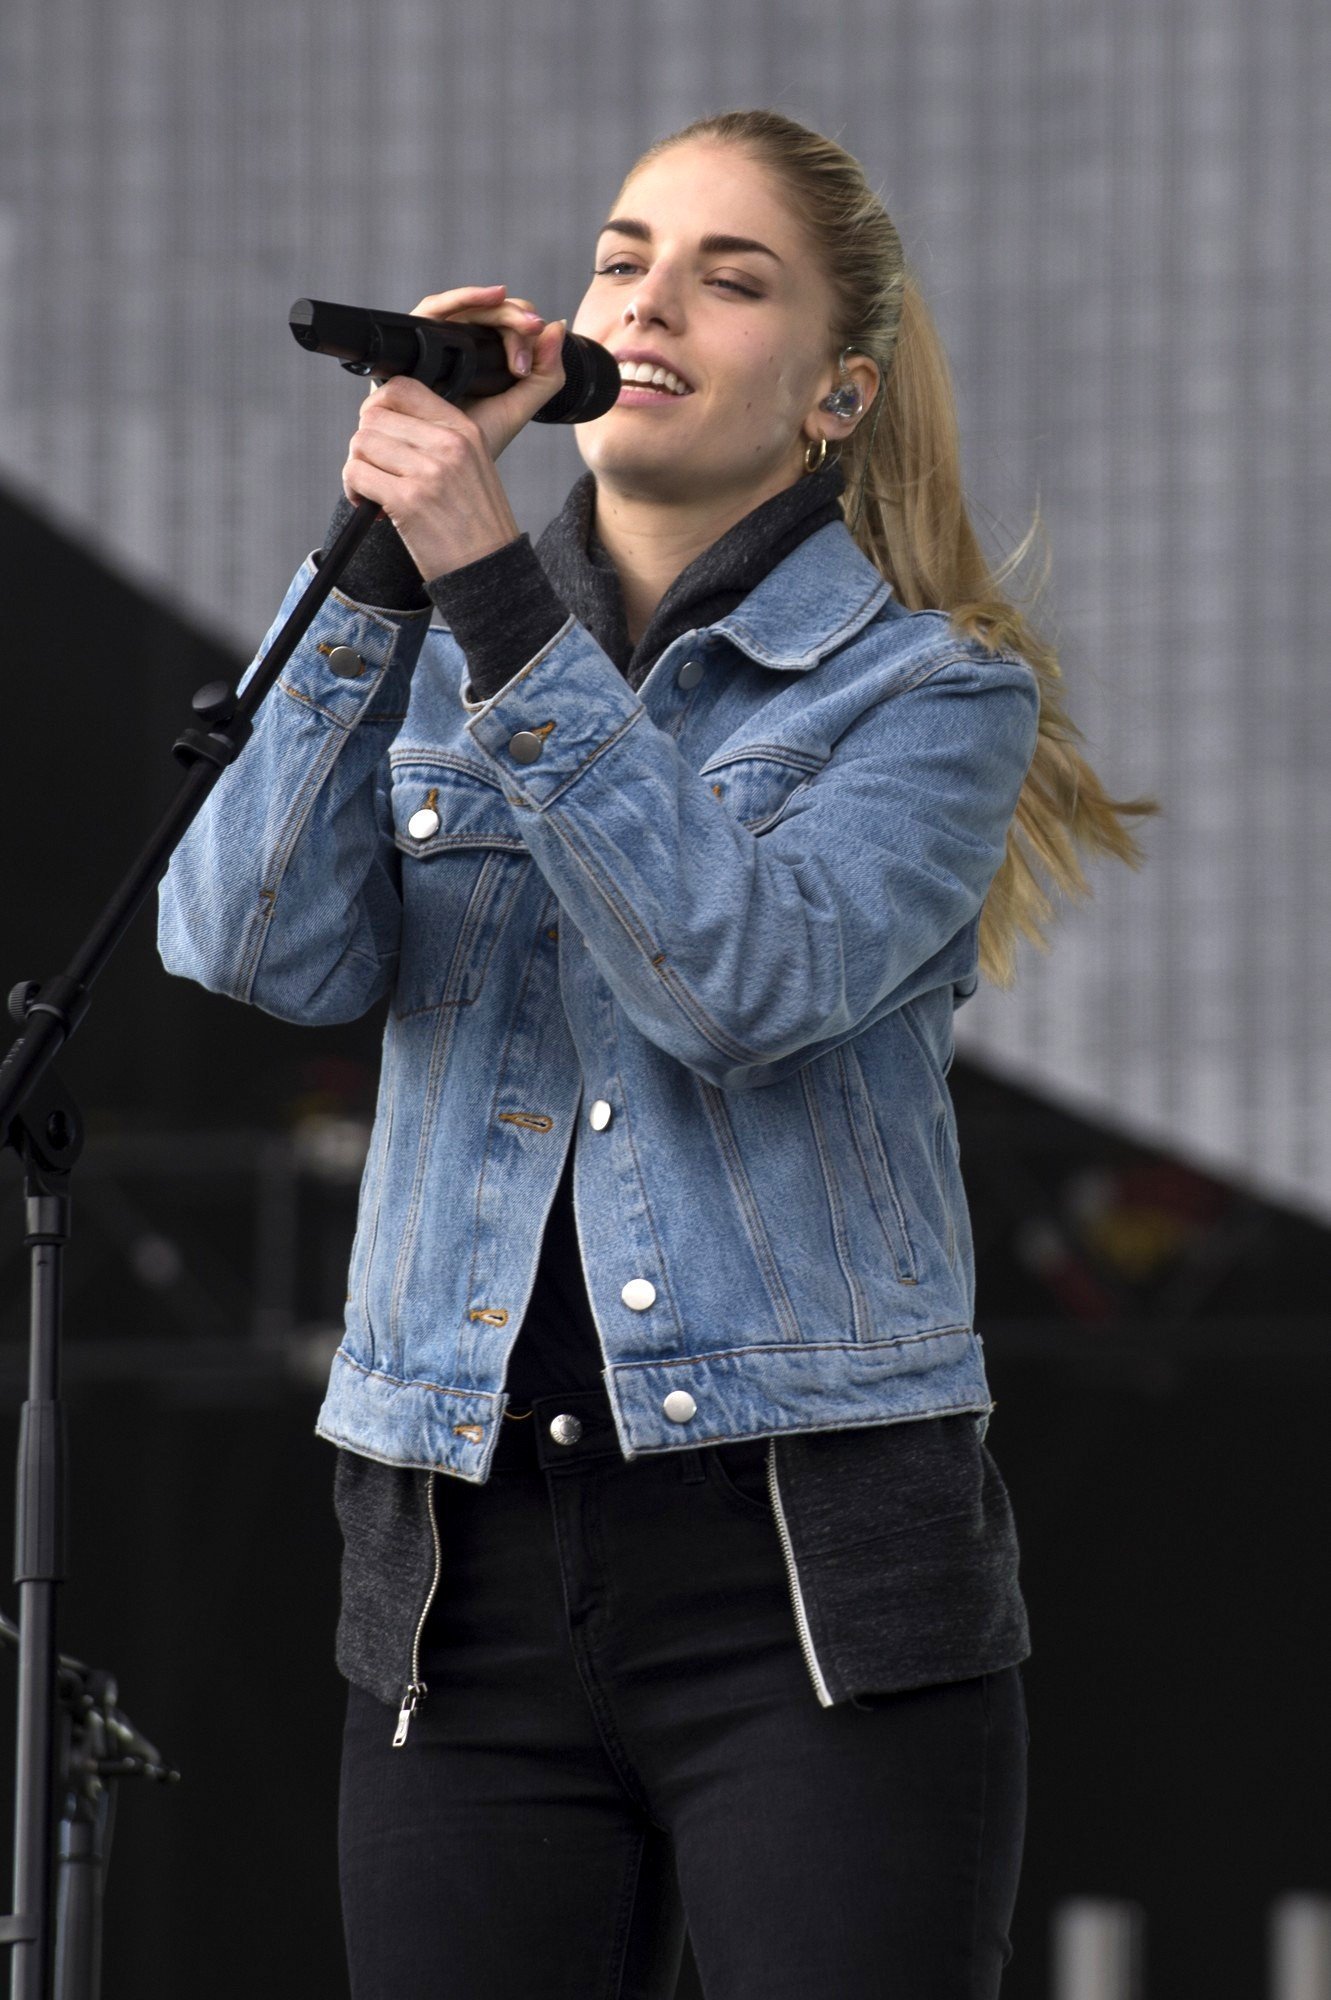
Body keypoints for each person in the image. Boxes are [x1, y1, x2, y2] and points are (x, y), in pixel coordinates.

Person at [158, 107, 1158, 2000]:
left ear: (837, 393)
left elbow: (739, 983)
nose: (652, 296)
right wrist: (373, 574)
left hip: (806, 1573)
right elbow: (243, 945)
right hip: (457, 1561)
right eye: (627, 257)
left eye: (732, 273)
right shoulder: (432, 632)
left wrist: (496, 601)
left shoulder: (932, 691)